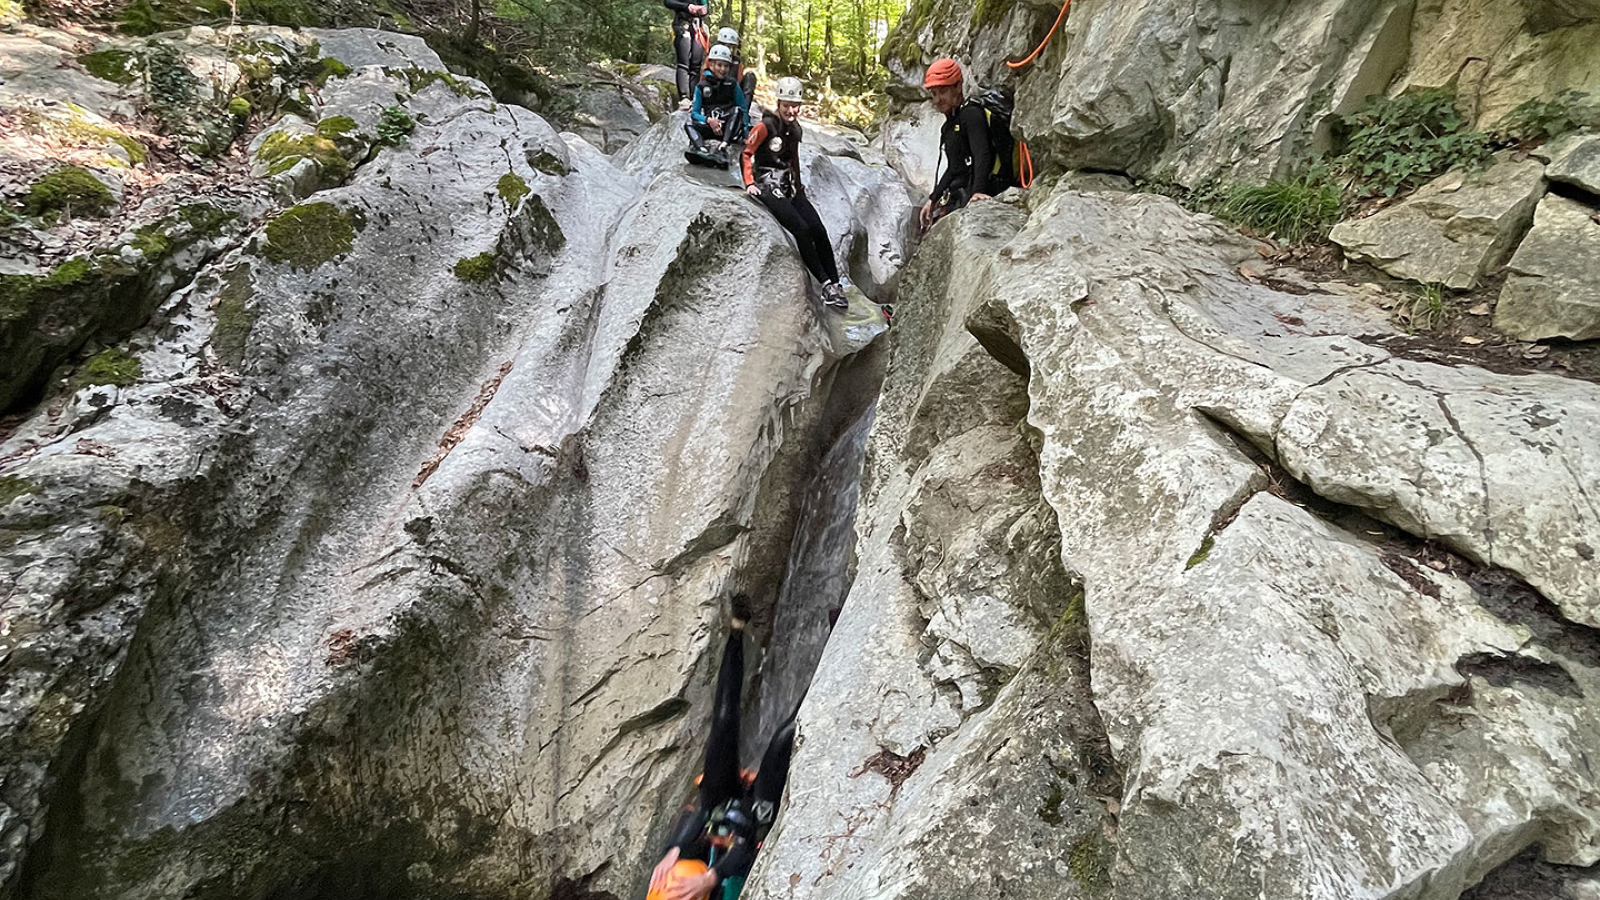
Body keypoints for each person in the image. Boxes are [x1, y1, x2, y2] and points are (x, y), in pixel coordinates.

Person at [649, 595, 798, 900]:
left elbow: (699, 813)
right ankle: (836, 649)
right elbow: (743, 852)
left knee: (723, 723)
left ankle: (736, 630)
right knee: (784, 739)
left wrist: (673, 849)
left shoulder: (668, 887)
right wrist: (712, 878)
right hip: (755, 819)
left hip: (721, 806)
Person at [741, 76, 848, 309]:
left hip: (789, 186)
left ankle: (836, 283)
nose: (791, 110)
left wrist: (799, 186)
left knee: (818, 229)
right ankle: (826, 284)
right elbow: (747, 153)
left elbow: (794, 159)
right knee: (801, 229)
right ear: (779, 104)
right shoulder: (765, 127)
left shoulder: (796, 129)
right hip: (768, 185)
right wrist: (749, 182)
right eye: (786, 105)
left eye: (794, 105)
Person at [918, 57, 1014, 234]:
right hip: (961, 191)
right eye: (934, 94)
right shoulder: (951, 123)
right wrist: (933, 198)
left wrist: (978, 191)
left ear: (957, 86)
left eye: (943, 91)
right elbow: (955, 168)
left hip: (984, 188)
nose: (938, 100)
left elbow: (982, 153)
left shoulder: (971, 115)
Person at [684, 44, 751, 168]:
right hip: (712, 125)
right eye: (719, 65)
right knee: (688, 123)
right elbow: (695, 113)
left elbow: (743, 109)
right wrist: (709, 121)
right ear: (711, 64)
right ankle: (703, 151)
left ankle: (723, 147)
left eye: (726, 66)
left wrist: (746, 134)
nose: (723, 69)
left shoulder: (732, 84)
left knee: (737, 110)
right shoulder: (702, 86)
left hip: (728, 128)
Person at [663, 0, 710, 105]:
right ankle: (684, 97)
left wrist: (704, 9)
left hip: (697, 26)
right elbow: (668, 2)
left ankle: (694, 98)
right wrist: (687, 7)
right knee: (683, 64)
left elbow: (705, 4)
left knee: (696, 65)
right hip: (682, 24)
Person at [716, 26, 758, 99]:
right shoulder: (712, 59)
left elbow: (739, 80)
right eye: (728, 46)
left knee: (750, 76)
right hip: (715, 92)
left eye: (733, 47)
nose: (731, 50)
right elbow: (704, 80)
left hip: (732, 92)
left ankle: (743, 109)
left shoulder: (737, 61)